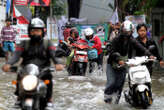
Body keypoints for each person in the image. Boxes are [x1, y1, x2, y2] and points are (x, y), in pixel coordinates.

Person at [2, 18, 64, 110]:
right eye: (33, 30)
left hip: (43, 71)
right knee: (19, 75)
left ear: (42, 32)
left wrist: (58, 64)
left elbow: (53, 55)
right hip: (27, 71)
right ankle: (19, 97)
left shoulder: (47, 43)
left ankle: (49, 100)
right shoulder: (24, 43)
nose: (35, 33)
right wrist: (8, 64)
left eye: (38, 31)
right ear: (29, 32)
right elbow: (15, 56)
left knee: (49, 78)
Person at [104, 20, 154, 104]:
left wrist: (150, 55)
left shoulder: (131, 39)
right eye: (125, 31)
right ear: (122, 30)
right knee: (111, 83)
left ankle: (116, 103)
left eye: (128, 32)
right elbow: (112, 52)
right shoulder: (116, 39)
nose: (126, 33)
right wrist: (118, 59)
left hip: (123, 64)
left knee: (119, 86)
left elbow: (140, 47)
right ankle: (106, 101)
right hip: (112, 64)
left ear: (131, 31)